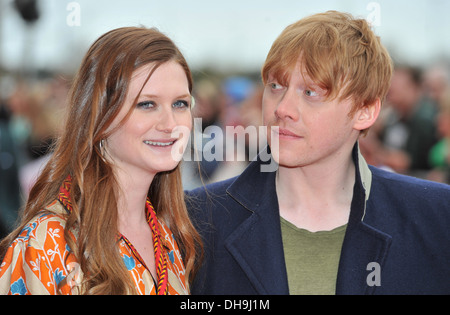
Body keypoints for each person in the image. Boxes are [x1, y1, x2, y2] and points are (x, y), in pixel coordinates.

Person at [186, 11, 450, 295]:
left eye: (310, 92)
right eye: (275, 86)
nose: (281, 109)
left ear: (365, 111)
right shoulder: (195, 220)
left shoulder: (437, 218)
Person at [0, 27, 202, 295]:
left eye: (180, 104)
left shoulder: (170, 239)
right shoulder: (47, 243)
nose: (170, 124)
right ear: (100, 115)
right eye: (147, 104)